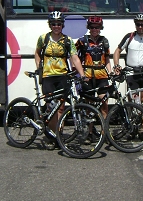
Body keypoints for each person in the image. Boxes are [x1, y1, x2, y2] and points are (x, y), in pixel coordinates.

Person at [34, 11, 85, 150]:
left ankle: (59, 135)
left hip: (62, 76)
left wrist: (82, 74)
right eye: (53, 24)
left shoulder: (67, 40)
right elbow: (37, 53)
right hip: (48, 77)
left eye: (58, 24)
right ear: (50, 25)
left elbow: (74, 57)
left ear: (62, 25)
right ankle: (52, 136)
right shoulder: (43, 38)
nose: (56, 26)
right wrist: (39, 67)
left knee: (61, 108)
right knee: (51, 107)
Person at [75, 16, 112, 125]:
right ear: (88, 28)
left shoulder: (104, 41)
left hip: (102, 76)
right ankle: (89, 133)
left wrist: (111, 73)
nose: (94, 29)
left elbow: (107, 59)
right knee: (89, 105)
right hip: (87, 76)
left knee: (104, 102)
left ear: (100, 28)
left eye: (97, 27)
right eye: (92, 27)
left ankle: (105, 132)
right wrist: (79, 74)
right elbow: (74, 57)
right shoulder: (81, 41)